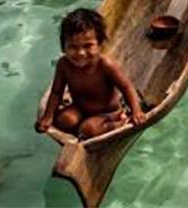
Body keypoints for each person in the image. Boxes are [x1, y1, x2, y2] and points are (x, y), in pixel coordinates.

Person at [35, 8, 148, 140]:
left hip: (107, 113)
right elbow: (56, 92)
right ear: (63, 47)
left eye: (88, 46)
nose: (81, 53)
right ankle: (84, 127)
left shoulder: (106, 65)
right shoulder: (64, 65)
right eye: (73, 47)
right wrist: (48, 117)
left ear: (99, 44)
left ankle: (121, 122)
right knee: (64, 121)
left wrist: (136, 111)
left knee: (88, 130)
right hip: (80, 109)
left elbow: (127, 87)